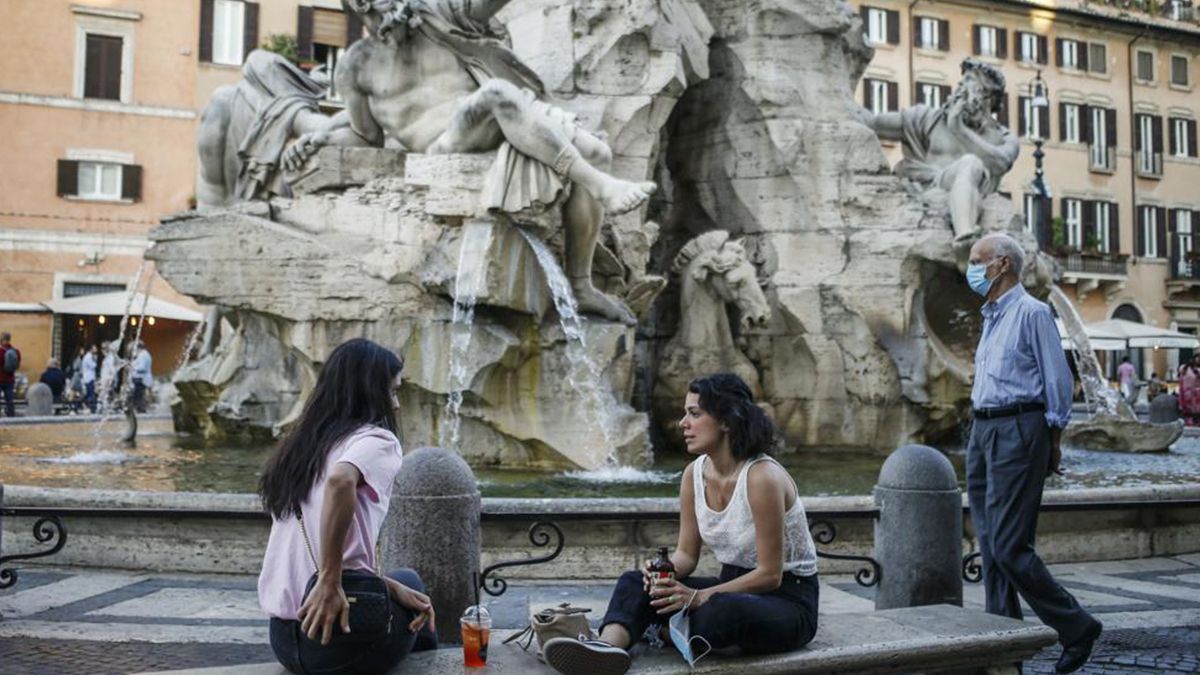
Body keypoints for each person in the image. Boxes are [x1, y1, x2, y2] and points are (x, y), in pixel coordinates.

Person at [542, 373, 819, 674]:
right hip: (729, 586)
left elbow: (770, 575)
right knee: (634, 582)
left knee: (720, 611)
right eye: (685, 413)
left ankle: (656, 631)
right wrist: (661, 572)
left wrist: (698, 597)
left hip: (787, 601)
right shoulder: (693, 474)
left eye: (694, 414)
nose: (682, 423)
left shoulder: (762, 477)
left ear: (727, 420)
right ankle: (605, 649)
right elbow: (686, 555)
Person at [257, 338, 437, 675]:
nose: (396, 405)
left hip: (285, 641)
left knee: (402, 584)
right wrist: (329, 579)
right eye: (393, 391)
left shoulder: (301, 448)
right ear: (371, 391)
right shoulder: (376, 440)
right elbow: (341, 481)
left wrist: (383, 585)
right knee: (417, 595)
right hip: (339, 646)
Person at [965, 233, 1101, 674]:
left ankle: (1076, 625)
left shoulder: (1032, 312)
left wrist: (1053, 441)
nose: (969, 269)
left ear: (1001, 264)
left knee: (1008, 545)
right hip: (983, 429)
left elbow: (1058, 382)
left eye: (975, 261)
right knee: (991, 547)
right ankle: (1005, 650)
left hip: (1019, 428)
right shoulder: (991, 316)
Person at [858, 59, 1019, 240]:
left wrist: (960, 130)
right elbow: (872, 123)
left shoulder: (1003, 137)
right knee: (970, 163)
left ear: (986, 94)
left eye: (968, 79)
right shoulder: (928, 119)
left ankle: (964, 237)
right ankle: (964, 237)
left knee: (971, 163)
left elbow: (1001, 162)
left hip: (975, 192)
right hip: (931, 185)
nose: (959, 84)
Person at [0, 332, 20, 417]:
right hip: (10, 379)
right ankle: (11, 416)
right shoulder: (16, 351)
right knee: (10, 400)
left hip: (0, 378)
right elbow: (17, 365)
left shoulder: (0, 351)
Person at [130, 342, 153, 413]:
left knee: (139, 395)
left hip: (142, 378)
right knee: (139, 394)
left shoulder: (143, 355)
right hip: (141, 378)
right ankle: (140, 408)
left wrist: (133, 368)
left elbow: (142, 367)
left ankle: (141, 409)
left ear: (138, 348)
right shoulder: (143, 355)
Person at [1178, 355, 1200, 425]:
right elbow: (1181, 384)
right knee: (1189, 417)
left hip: (1196, 398)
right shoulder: (1184, 368)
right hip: (1188, 397)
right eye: (1197, 356)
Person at [81, 344, 98, 413]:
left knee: (89, 393)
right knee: (90, 393)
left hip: (90, 377)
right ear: (91, 349)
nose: (96, 350)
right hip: (89, 378)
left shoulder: (89, 356)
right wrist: (95, 359)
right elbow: (93, 366)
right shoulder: (88, 357)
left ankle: (84, 404)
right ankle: (92, 407)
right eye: (95, 348)